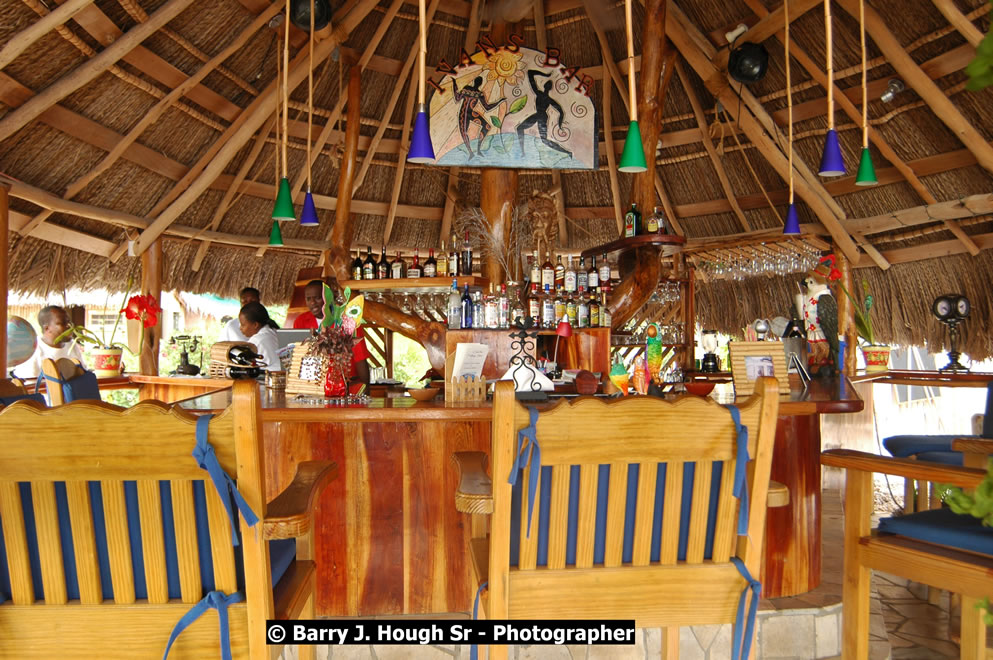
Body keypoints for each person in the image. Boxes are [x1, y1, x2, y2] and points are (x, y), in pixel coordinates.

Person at [292, 279, 370, 385]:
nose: (312, 303)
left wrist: (365, 390)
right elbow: (298, 357)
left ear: (328, 297)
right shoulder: (300, 321)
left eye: (318, 298)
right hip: (313, 383)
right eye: (308, 299)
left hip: (346, 383)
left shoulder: (347, 320)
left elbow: (360, 358)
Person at [13, 305, 86, 380]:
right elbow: (30, 385)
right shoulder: (33, 349)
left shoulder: (72, 345)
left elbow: (83, 374)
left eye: (68, 322)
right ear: (47, 328)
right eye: (62, 323)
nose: (69, 326)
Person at [516, 70, 572, 158]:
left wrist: (545, 74)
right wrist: (545, 74)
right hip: (538, 115)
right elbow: (530, 73)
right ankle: (522, 152)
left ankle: (567, 152)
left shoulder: (543, 96)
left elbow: (561, 111)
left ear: (547, 87)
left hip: (541, 117)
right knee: (520, 128)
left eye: (547, 84)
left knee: (544, 140)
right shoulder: (542, 95)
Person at [238, 301, 281, 372]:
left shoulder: (257, 341)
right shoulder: (273, 331)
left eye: (243, 325)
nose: (240, 328)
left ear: (255, 325)